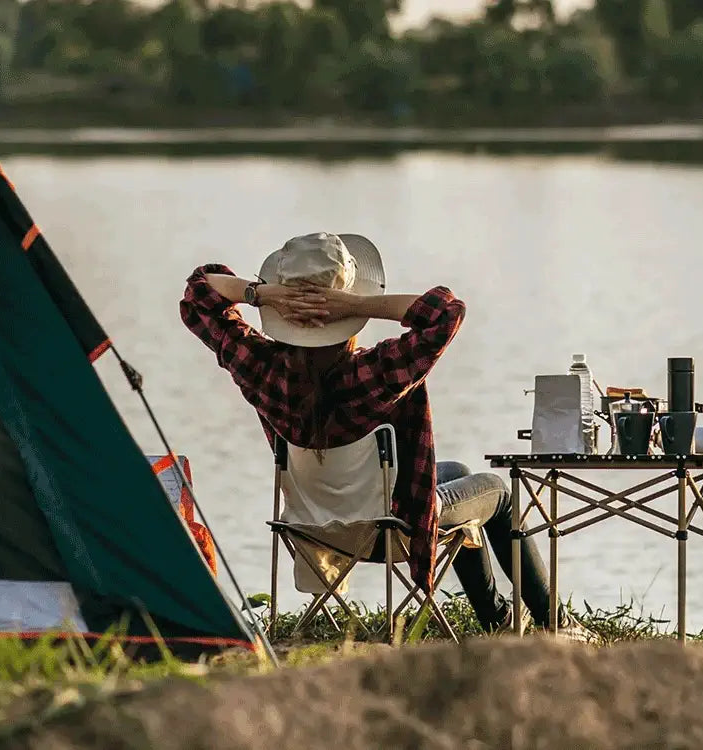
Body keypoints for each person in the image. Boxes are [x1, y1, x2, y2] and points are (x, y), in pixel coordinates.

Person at [179, 232, 589, 638]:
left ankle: (497, 619)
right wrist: (356, 305)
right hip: (391, 529)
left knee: (457, 472)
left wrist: (262, 295)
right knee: (498, 494)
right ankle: (557, 624)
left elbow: (199, 291)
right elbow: (447, 311)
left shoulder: (260, 367)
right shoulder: (374, 371)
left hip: (312, 527)